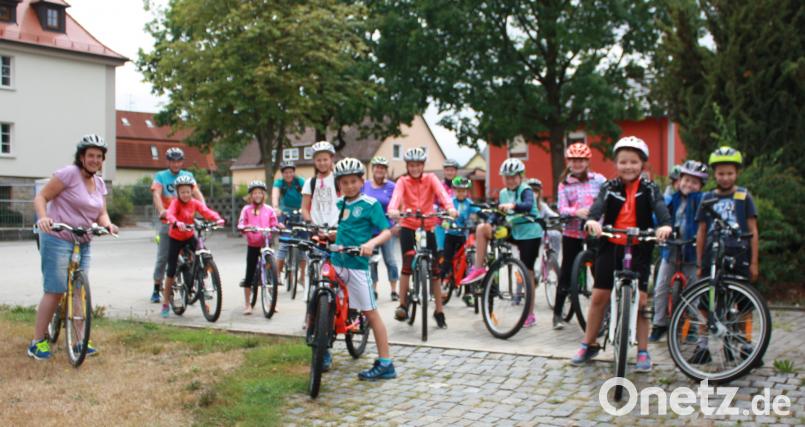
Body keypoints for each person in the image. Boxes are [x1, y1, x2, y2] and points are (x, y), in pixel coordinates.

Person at [570, 136, 672, 372]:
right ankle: (588, 343)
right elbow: (598, 206)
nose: (628, 167)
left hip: (640, 245)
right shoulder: (609, 187)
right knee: (598, 297)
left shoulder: (649, 188)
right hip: (611, 244)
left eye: (634, 162)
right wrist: (593, 220)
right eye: (623, 162)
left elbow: (659, 206)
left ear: (642, 164)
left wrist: (665, 225)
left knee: (642, 301)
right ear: (616, 164)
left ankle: (643, 351)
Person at [28, 135, 119, 360]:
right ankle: (37, 341)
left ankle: (80, 340)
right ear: (81, 157)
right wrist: (43, 218)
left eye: (99, 156)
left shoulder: (98, 183)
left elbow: (101, 212)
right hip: (57, 236)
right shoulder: (68, 174)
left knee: (78, 289)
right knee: (56, 289)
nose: (95, 160)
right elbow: (41, 197)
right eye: (90, 155)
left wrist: (107, 224)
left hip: (83, 239)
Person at [321, 157, 396, 380]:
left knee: (370, 312)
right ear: (339, 184)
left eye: (354, 181)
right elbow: (342, 228)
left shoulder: (370, 205)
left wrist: (371, 244)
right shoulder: (340, 204)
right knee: (326, 302)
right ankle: (322, 347)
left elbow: (386, 231)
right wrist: (331, 235)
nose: (350, 186)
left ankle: (386, 363)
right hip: (337, 261)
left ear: (362, 181)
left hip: (357, 265)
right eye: (345, 182)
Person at [460, 158, 544, 327]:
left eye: (513, 177)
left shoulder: (526, 190)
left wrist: (512, 206)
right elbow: (498, 213)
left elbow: (527, 205)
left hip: (529, 232)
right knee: (482, 229)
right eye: (507, 177)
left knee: (527, 273)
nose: (510, 180)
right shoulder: (503, 193)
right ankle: (479, 268)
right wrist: (491, 221)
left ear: (521, 177)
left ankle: (530, 314)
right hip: (514, 231)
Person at [387, 148, 457, 329]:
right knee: (406, 264)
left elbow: (443, 195)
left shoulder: (431, 179)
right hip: (408, 225)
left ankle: (439, 311)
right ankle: (402, 305)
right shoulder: (402, 181)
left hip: (428, 224)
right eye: (411, 165)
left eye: (418, 165)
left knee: (435, 269)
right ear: (407, 166)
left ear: (423, 165)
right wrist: (393, 210)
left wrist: (450, 208)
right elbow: (395, 199)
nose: (415, 168)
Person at [649, 160, 708, 342]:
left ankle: (690, 327)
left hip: (691, 251)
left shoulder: (701, 200)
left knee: (692, 291)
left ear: (700, 186)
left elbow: (705, 222)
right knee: (661, 288)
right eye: (686, 180)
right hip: (671, 249)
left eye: (694, 182)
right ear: (679, 180)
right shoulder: (672, 198)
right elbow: (659, 216)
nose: (689, 185)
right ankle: (659, 324)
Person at [552, 143, 607, 330]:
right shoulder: (564, 184)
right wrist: (577, 212)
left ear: (587, 161)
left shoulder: (598, 180)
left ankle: (604, 312)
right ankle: (557, 314)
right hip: (572, 232)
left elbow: (608, 198)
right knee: (566, 272)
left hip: (595, 231)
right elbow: (561, 208)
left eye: (581, 160)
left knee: (599, 270)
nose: (577, 164)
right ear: (569, 162)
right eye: (574, 160)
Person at [161, 175, 224, 318]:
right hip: (176, 238)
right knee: (171, 270)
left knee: (204, 253)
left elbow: (206, 211)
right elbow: (170, 214)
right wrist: (176, 222)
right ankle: (165, 301)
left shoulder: (194, 203)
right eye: (182, 192)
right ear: (178, 193)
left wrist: (217, 219)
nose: (185, 194)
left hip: (189, 235)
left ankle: (202, 278)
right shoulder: (175, 203)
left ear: (192, 191)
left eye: (188, 191)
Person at [150, 147, 205, 304]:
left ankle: (199, 283)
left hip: (187, 222)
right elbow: (156, 194)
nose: (176, 164)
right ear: (168, 162)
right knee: (163, 256)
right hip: (168, 222)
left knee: (199, 251)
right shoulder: (160, 176)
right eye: (172, 161)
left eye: (178, 161)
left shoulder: (188, 176)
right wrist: (162, 211)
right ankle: (156, 287)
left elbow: (197, 193)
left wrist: (204, 208)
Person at [237, 180, 280, 315]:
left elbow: (274, 223)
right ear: (250, 195)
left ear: (264, 194)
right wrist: (244, 227)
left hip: (266, 242)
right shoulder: (246, 210)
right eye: (255, 193)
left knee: (271, 274)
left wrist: (276, 227)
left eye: (260, 193)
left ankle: (272, 302)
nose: (257, 195)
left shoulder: (269, 209)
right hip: (253, 244)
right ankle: (247, 304)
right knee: (249, 273)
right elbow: (242, 223)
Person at [361, 156, 400, 301]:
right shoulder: (364, 185)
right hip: (369, 230)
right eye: (377, 167)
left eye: (382, 168)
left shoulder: (392, 186)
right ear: (373, 169)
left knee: (390, 260)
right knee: (371, 261)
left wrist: (397, 224)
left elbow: (399, 205)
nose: (379, 170)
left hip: (387, 230)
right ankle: (373, 289)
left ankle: (394, 290)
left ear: (385, 171)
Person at [442, 176, 480, 305]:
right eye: (458, 191)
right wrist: (446, 223)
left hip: (462, 236)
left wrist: (484, 213)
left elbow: (477, 210)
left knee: (465, 264)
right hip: (450, 236)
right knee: (447, 260)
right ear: (453, 191)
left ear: (467, 191)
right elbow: (445, 215)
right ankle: (442, 283)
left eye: (464, 191)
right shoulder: (451, 202)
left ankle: (468, 293)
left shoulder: (469, 203)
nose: (461, 193)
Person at [272, 161, 307, 287]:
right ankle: (277, 277)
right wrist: (276, 207)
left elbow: (307, 195)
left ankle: (302, 276)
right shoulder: (279, 183)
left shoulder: (300, 182)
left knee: (303, 246)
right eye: (286, 172)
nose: (288, 174)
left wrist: (306, 210)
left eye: (291, 172)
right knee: (283, 245)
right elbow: (275, 195)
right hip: (285, 214)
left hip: (300, 214)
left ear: (294, 172)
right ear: (282, 173)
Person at [434, 159, 459, 256]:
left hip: (457, 224)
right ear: (444, 171)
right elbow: (433, 201)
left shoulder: (461, 185)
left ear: (456, 171)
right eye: (447, 170)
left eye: (452, 170)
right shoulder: (439, 185)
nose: (450, 172)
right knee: (441, 250)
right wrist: (437, 209)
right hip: (441, 222)